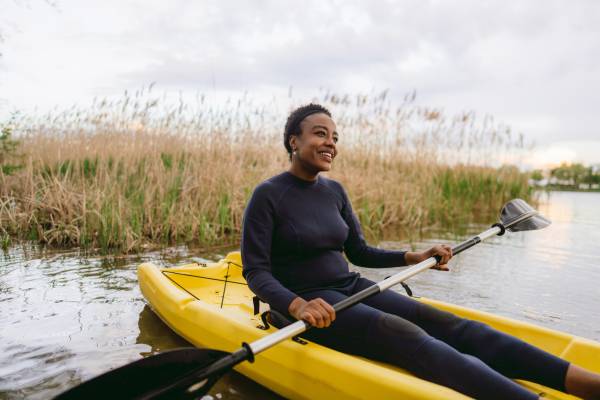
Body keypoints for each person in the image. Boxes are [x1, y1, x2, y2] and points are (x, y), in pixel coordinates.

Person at [241, 103, 600, 399]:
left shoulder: (334, 191)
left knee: (453, 325)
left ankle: (585, 383)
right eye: (320, 133)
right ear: (293, 141)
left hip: (352, 288)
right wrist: (297, 305)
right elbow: (256, 272)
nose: (331, 143)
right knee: (405, 333)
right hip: (311, 307)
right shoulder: (268, 195)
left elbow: (360, 251)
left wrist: (412, 257)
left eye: (335, 137)